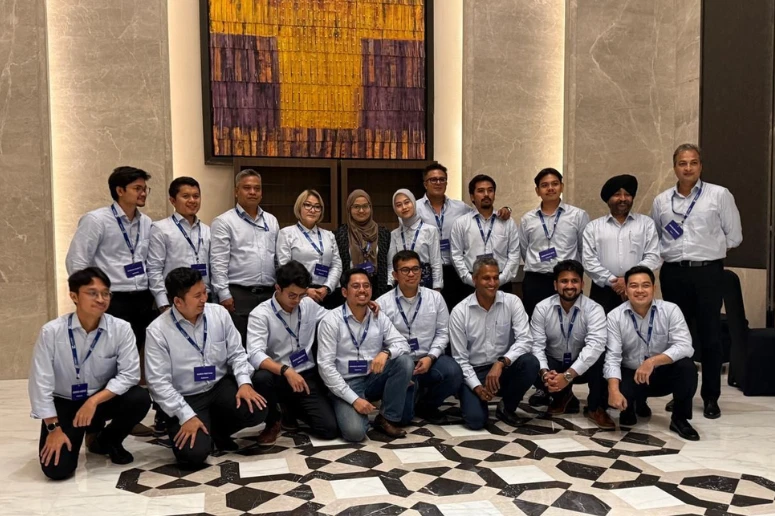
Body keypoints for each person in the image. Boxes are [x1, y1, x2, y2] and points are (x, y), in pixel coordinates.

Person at [29, 267, 151, 480]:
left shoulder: (121, 328)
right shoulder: (52, 332)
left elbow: (130, 374)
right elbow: (40, 383)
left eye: (105, 293)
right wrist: (53, 428)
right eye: (92, 293)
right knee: (57, 471)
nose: (101, 299)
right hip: (66, 402)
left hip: (101, 399)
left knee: (139, 398)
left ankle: (107, 440)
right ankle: (73, 432)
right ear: (74, 296)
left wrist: (93, 401)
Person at [651, 143, 742, 419]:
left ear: (700, 165)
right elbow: (657, 238)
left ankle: (711, 396)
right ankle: (682, 393)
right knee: (679, 336)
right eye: (682, 163)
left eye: (693, 163)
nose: (687, 168)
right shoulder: (661, 201)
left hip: (708, 273)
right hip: (674, 273)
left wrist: (708, 251)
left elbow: (734, 235)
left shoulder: (719, 195)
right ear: (674, 166)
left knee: (710, 335)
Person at [65, 166, 157, 435]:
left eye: (144, 189)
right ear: (120, 191)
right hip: (111, 300)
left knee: (130, 361)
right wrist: (89, 299)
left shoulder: (146, 223)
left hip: (141, 298)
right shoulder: (97, 220)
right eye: (137, 188)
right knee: (105, 361)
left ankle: (125, 416)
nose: (143, 193)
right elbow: (77, 261)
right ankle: (94, 426)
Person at [145, 268, 268, 464]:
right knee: (192, 456)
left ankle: (215, 431)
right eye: (197, 296)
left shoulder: (218, 313)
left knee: (257, 408)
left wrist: (245, 384)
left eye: (204, 292)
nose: (204, 298)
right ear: (178, 302)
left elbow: (237, 353)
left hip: (217, 387)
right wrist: (186, 416)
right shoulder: (158, 331)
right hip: (185, 397)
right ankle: (196, 427)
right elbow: (158, 383)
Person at [317, 268, 414, 441]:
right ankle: (343, 405)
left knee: (404, 361)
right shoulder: (331, 321)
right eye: (356, 286)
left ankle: (386, 418)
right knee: (355, 433)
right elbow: (326, 368)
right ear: (345, 292)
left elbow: (403, 344)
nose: (362, 290)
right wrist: (354, 400)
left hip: (372, 378)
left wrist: (386, 352)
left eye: (366, 285)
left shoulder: (378, 316)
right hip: (346, 383)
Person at [247, 261, 339, 444]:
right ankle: (273, 421)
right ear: (278, 288)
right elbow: (255, 354)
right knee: (261, 378)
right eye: (292, 295)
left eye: (301, 295)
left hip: (306, 375)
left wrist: (361, 307)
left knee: (328, 429)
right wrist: (286, 371)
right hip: (279, 377)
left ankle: (291, 409)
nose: (297, 301)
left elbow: (332, 318)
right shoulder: (260, 314)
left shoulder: (308, 305)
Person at [605, 266, 699, 441]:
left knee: (687, 367)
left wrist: (652, 362)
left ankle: (680, 418)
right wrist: (613, 390)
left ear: (654, 288)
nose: (640, 290)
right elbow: (612, 357)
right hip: (632, 374)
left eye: (645, 285)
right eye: (634, 286)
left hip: (662, 373)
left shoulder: (671, 310)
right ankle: (633, 404)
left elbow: (685, 346)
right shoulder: (614, 316)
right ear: (625, 289)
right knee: (623, 402)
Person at [450, 257, 540, 430]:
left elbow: (525, 339)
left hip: (502, 368)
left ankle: (507, 407)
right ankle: (472, 397)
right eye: (486, 278)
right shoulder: (460, 312)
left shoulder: (512, 302)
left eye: (495, 277)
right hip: (474, 371)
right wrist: (477, 387)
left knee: (530, 362)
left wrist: (501, 362)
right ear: (474, 279)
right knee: (475, 422)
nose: (492, 283)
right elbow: (460, 359)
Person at [376, 250, 463, 424]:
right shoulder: (383, 303)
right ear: (395, 274)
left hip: (429, 361)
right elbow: (379, 341)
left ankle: (427, 405)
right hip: (401, 365)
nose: (411, 274)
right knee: (404, 418)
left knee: (453, 371)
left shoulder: (435, 298)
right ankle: (410, 393)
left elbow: (443, 333)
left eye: (415, 269)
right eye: (405, 270)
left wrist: (431, 357)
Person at [417, 162, 512, 310]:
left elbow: (482, 211)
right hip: (428, 269)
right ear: (425, 183)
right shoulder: (414, 209)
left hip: (454, 271)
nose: (438, 183)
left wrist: (507, 209)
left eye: (442, 179)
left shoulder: (460, 208)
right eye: (433, 180)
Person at [530, 260, 613, 429]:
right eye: (564, 281)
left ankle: (596, 407)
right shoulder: (542, 308)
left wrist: (567, 376)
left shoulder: (594, 309)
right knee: (530, 362)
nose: (569, 286)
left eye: (574, 281)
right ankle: (562, 397)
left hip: (582, 367)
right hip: (554, 365)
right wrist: (546, 374)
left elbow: (595, 345)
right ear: (555, 285)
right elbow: (536, 346)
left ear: (582, 284)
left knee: (603, 355)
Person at [210, 169, 280, 345]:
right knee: (240, 345)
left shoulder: (271, 221)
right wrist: (224, 294)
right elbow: (218, 261)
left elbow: (277, 258)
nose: (252, 192)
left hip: (268, 294)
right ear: (236, 191)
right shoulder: (224, 222)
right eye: (247, 188)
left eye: (257, 188)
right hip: (239, 296)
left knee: (267, 345)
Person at [583, 175, 660, 314]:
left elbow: (653, 256)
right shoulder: (593, 227)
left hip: (638, 289)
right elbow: (589, 261)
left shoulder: (646, 224)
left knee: (639, 330)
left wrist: (629, 280)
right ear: (608, 200)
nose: (623, 199)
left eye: (628, 194)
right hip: (603, 290)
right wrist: (614, 282)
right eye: (617, 194)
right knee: (602, 331)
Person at [519, 168, 589, 318]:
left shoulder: (578, 215)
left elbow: (583, 248)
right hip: (536, 280)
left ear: (562, 187)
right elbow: (524, 249)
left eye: (555, 184)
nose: (550, 188)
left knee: (570, 321)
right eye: (544, 185)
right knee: (535, 324)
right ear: (537, 191)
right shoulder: (527, 219)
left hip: (567, 280)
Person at [147, 176, 212, 312]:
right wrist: (163, 303)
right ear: (172, 200)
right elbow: (154, 269)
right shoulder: (160, 229)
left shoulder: (207, 230)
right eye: (186, 196)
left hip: (203, 298)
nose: (192, 201)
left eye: (196, 196)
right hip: (174, 299)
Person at [450, 175, 520, 293]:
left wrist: (500, 280)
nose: (486, 194)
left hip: (501, 281)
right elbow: (456, 256)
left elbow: (514, 254)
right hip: (471, 283)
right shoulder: (461, 223)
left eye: (490, 190)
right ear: (472, 197)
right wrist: (470, 280)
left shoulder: (507, 222)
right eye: (481, 191)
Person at [276, 190, 342, 308]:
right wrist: (306, 290)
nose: (312, 210)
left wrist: (327, 288)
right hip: (300, 295)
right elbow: (285, 268)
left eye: (317, 207)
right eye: (307, 205)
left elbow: (337, 265)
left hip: (328, 294)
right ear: (299, 207)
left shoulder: (329, 235)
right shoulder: (286, 233)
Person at [333, 189, 392, 301]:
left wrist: (387, 288)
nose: (361, 210)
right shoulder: (340, 234)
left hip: (379, 290)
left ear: (370, 208)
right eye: (356, 207)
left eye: (365, 206)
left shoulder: (383, 233)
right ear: (349, 209)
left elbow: (389, 264)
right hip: (349, 291)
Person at [387, 189, 443, 290]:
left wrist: (437, 288)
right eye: (398, 205)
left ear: (413, 203)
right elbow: (391, 265)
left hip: (425, 284)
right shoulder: (394, 234)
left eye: (407, 202)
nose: (404, 207)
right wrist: (389, 286)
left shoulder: (430, 230)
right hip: (402, 285)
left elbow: (436, 263)